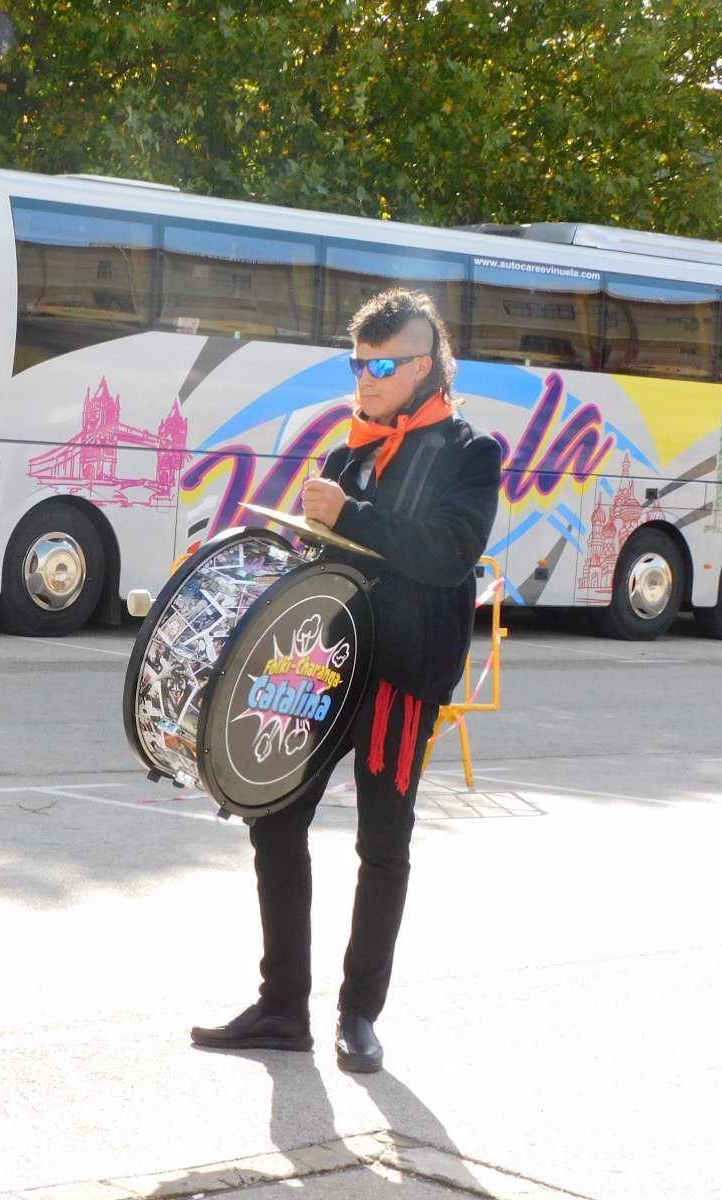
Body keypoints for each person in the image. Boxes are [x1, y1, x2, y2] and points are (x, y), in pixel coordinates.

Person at [190, 288, 502, 1074]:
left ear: (423, 367)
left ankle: (358, 1014)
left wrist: (350, 514)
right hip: (329, 664)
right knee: (273, 819)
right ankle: (281, 1007)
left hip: (405, 674)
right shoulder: (347, 452)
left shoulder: (471, 452)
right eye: (357, 364)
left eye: (381, 366)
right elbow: (323, 563)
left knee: (382, 845)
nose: (365, 378)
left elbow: (448, 552)